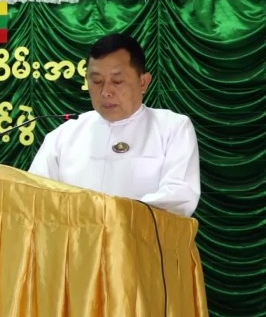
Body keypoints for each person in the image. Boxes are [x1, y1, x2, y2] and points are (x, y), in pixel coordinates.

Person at [28, 33, 201, 217]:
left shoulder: (173, 128)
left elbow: (178, 198)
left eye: (117, 81)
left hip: (137, 234)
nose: (105, 92)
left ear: (143, 82)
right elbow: (33, 196)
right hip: (74, 235)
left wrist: (111, 217)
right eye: (97, 81)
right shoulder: (63, 136)